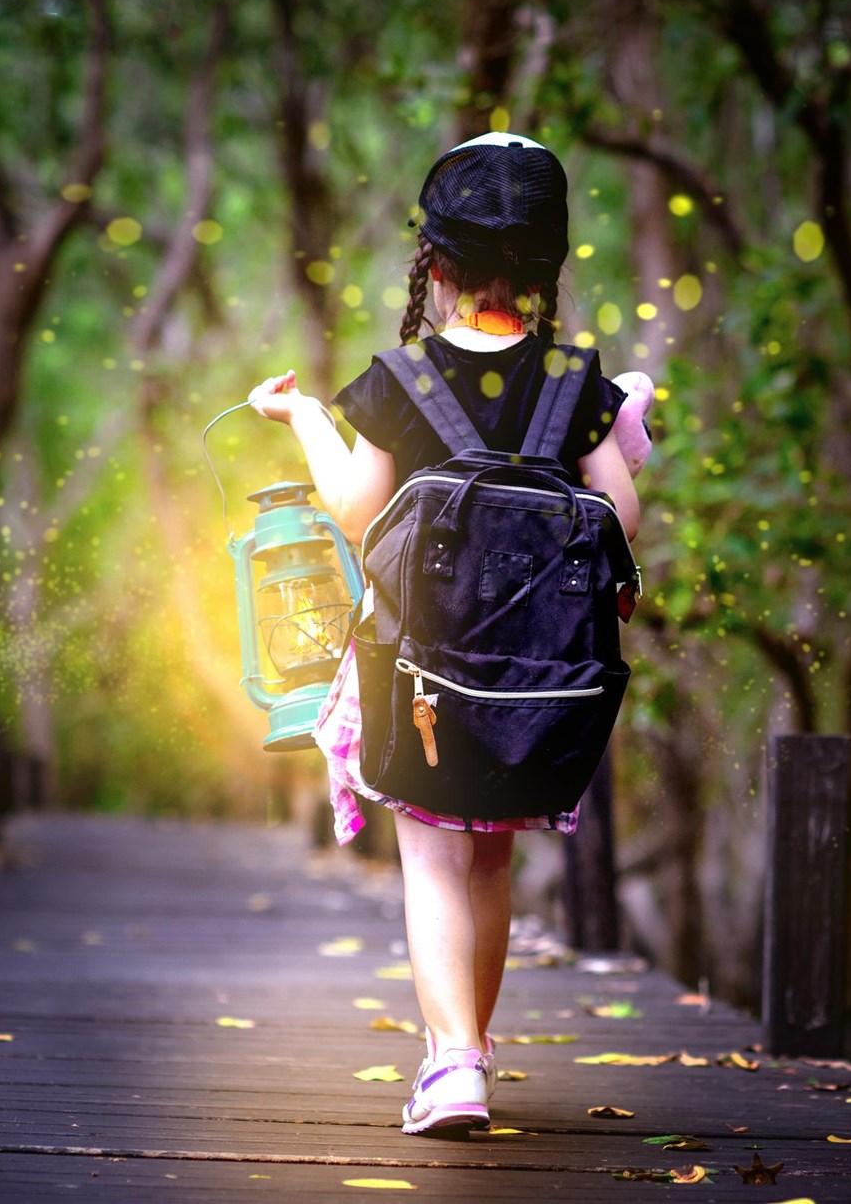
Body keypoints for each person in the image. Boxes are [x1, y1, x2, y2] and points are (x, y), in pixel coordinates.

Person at [248, 131, 643, 1138]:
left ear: (437, 264)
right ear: (546, 264)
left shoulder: (399, 375)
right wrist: (623, 419)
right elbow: (621, 520)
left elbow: (353, 507)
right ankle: (468, 1044)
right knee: (492, 864)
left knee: (430, 860)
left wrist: (296, 417)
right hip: (539, 685)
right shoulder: (574, 376)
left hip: (419, 673)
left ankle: (453, 1060)